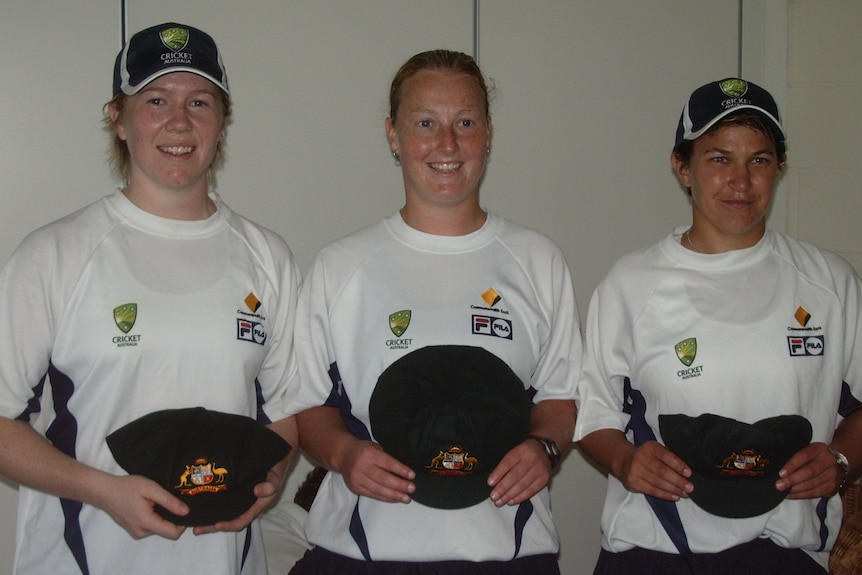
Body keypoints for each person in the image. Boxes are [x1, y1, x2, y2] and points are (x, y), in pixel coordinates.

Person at [0, 22, 300, 574]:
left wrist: (273, 478)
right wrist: (103, 491)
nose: (179, 122)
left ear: (222, 120)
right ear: (118, 118)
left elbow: (282, 414)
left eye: (200, 101)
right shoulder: (55, 255)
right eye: (156, 99)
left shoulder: (267, 257)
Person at [285, 49, 581, 574]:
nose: (447, 144)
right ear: (393, 135)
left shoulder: (538, 260)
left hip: (506, 554)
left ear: (488, 132)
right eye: (425, 123)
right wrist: (345, 456)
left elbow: (559, 399)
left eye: (465, 122)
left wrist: (545, 450)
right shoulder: (341, 266)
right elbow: (312, 409)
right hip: (364, 555)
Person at [574, 77, 862, 574]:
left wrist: (840, 462)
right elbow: (593, 413)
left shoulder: (828, 282)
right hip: (656, 553)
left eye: (760, 159)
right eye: (719, 158)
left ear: (780, 167)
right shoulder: (632, 283)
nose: (741, 181)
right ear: (682, 167)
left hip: (784, 556)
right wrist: (624, 462)